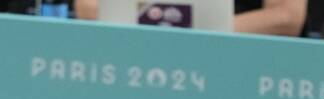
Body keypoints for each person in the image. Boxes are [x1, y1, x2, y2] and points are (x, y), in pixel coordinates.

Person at [73, 0, 307, 35]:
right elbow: (87, 6)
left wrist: (199, 33)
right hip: (136, 48)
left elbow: (286, 17)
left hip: (237, 60)